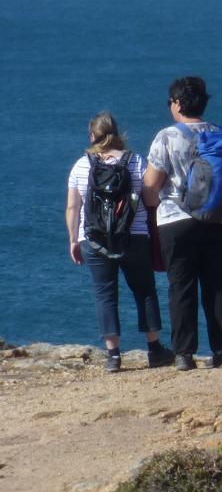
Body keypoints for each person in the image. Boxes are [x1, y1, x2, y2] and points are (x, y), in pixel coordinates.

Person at [142, 76, 222, 371]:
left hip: (177, 220)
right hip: (221, 218)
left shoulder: (167, 136)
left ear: (179, 103)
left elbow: (151, 186)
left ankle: (184, 354)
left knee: (181, 286)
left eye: (170, 101)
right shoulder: (221, 133)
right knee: (217, 283)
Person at [65, 112, 173, 372]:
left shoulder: (81, 165)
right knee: (144, 291)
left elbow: (72, 207)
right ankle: (155, 349)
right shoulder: (135, 161)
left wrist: (73, 240)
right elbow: (149, 199)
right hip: (134, 237)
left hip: (93, 239)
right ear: (117, 133)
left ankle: (113, 356)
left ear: (93, 136)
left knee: (105, 295)